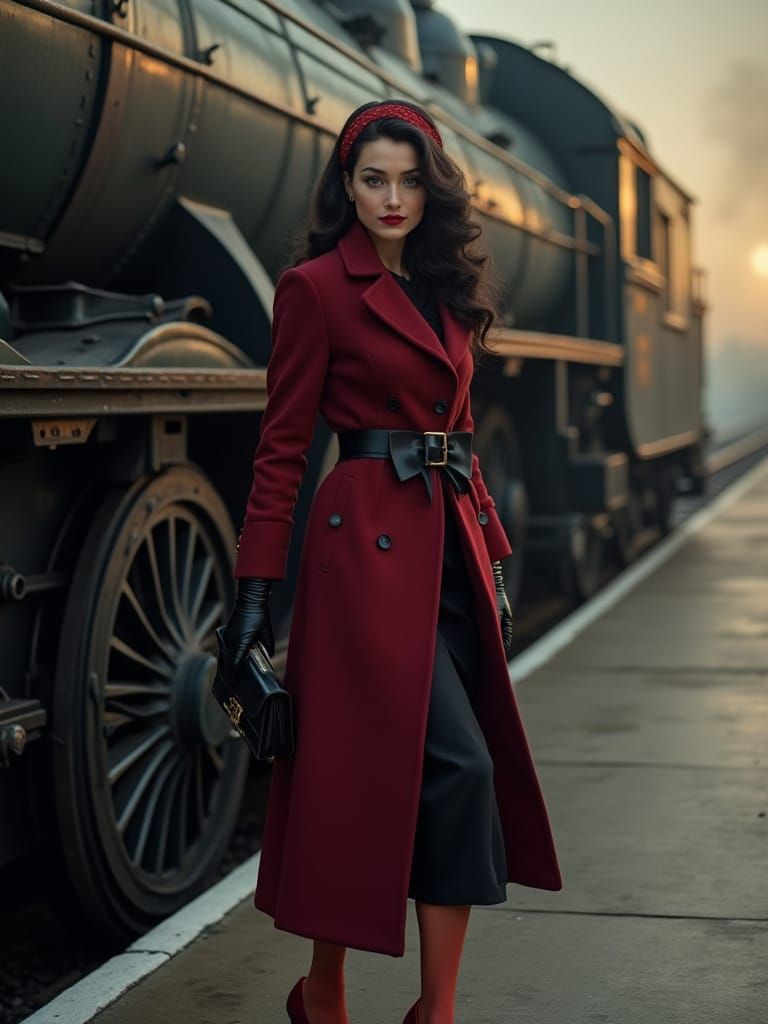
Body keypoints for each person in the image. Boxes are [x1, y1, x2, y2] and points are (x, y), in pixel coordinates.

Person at [219, 100, 562, 1024]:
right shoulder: (315, 288)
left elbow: (461, 438)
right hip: (363, 555)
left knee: (429, 774)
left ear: (432, 187)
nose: (392, 197)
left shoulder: (449, 289)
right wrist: (252, 601)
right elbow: (281, 453)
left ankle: (418, 1009)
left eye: (410, 180)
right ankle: (334, 992)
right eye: (374, 179)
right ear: (347, 185)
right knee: (407, 770)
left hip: (450, 548)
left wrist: (493, 559)